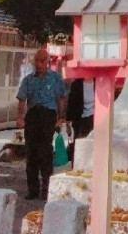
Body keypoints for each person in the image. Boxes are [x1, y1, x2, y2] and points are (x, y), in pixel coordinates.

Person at [16, 48, 67, 200]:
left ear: (48, 62)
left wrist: (61, 117)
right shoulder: (28, 79)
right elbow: (22, 100)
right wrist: (20, 117)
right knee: (31, 152)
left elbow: (61, 99)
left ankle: (46, 189)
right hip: (32, 115)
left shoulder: (55, 78)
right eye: (36, 61)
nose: (39, 64)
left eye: (42, 61)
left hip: (48, 115)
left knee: (45, 152)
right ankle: (32, 190)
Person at [65, 76, 95, 160]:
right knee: (80, 146)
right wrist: (68, 122)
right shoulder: (76, 84)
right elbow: (71, 105)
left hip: (95, 118)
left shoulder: (98, 83)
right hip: (80, 120)